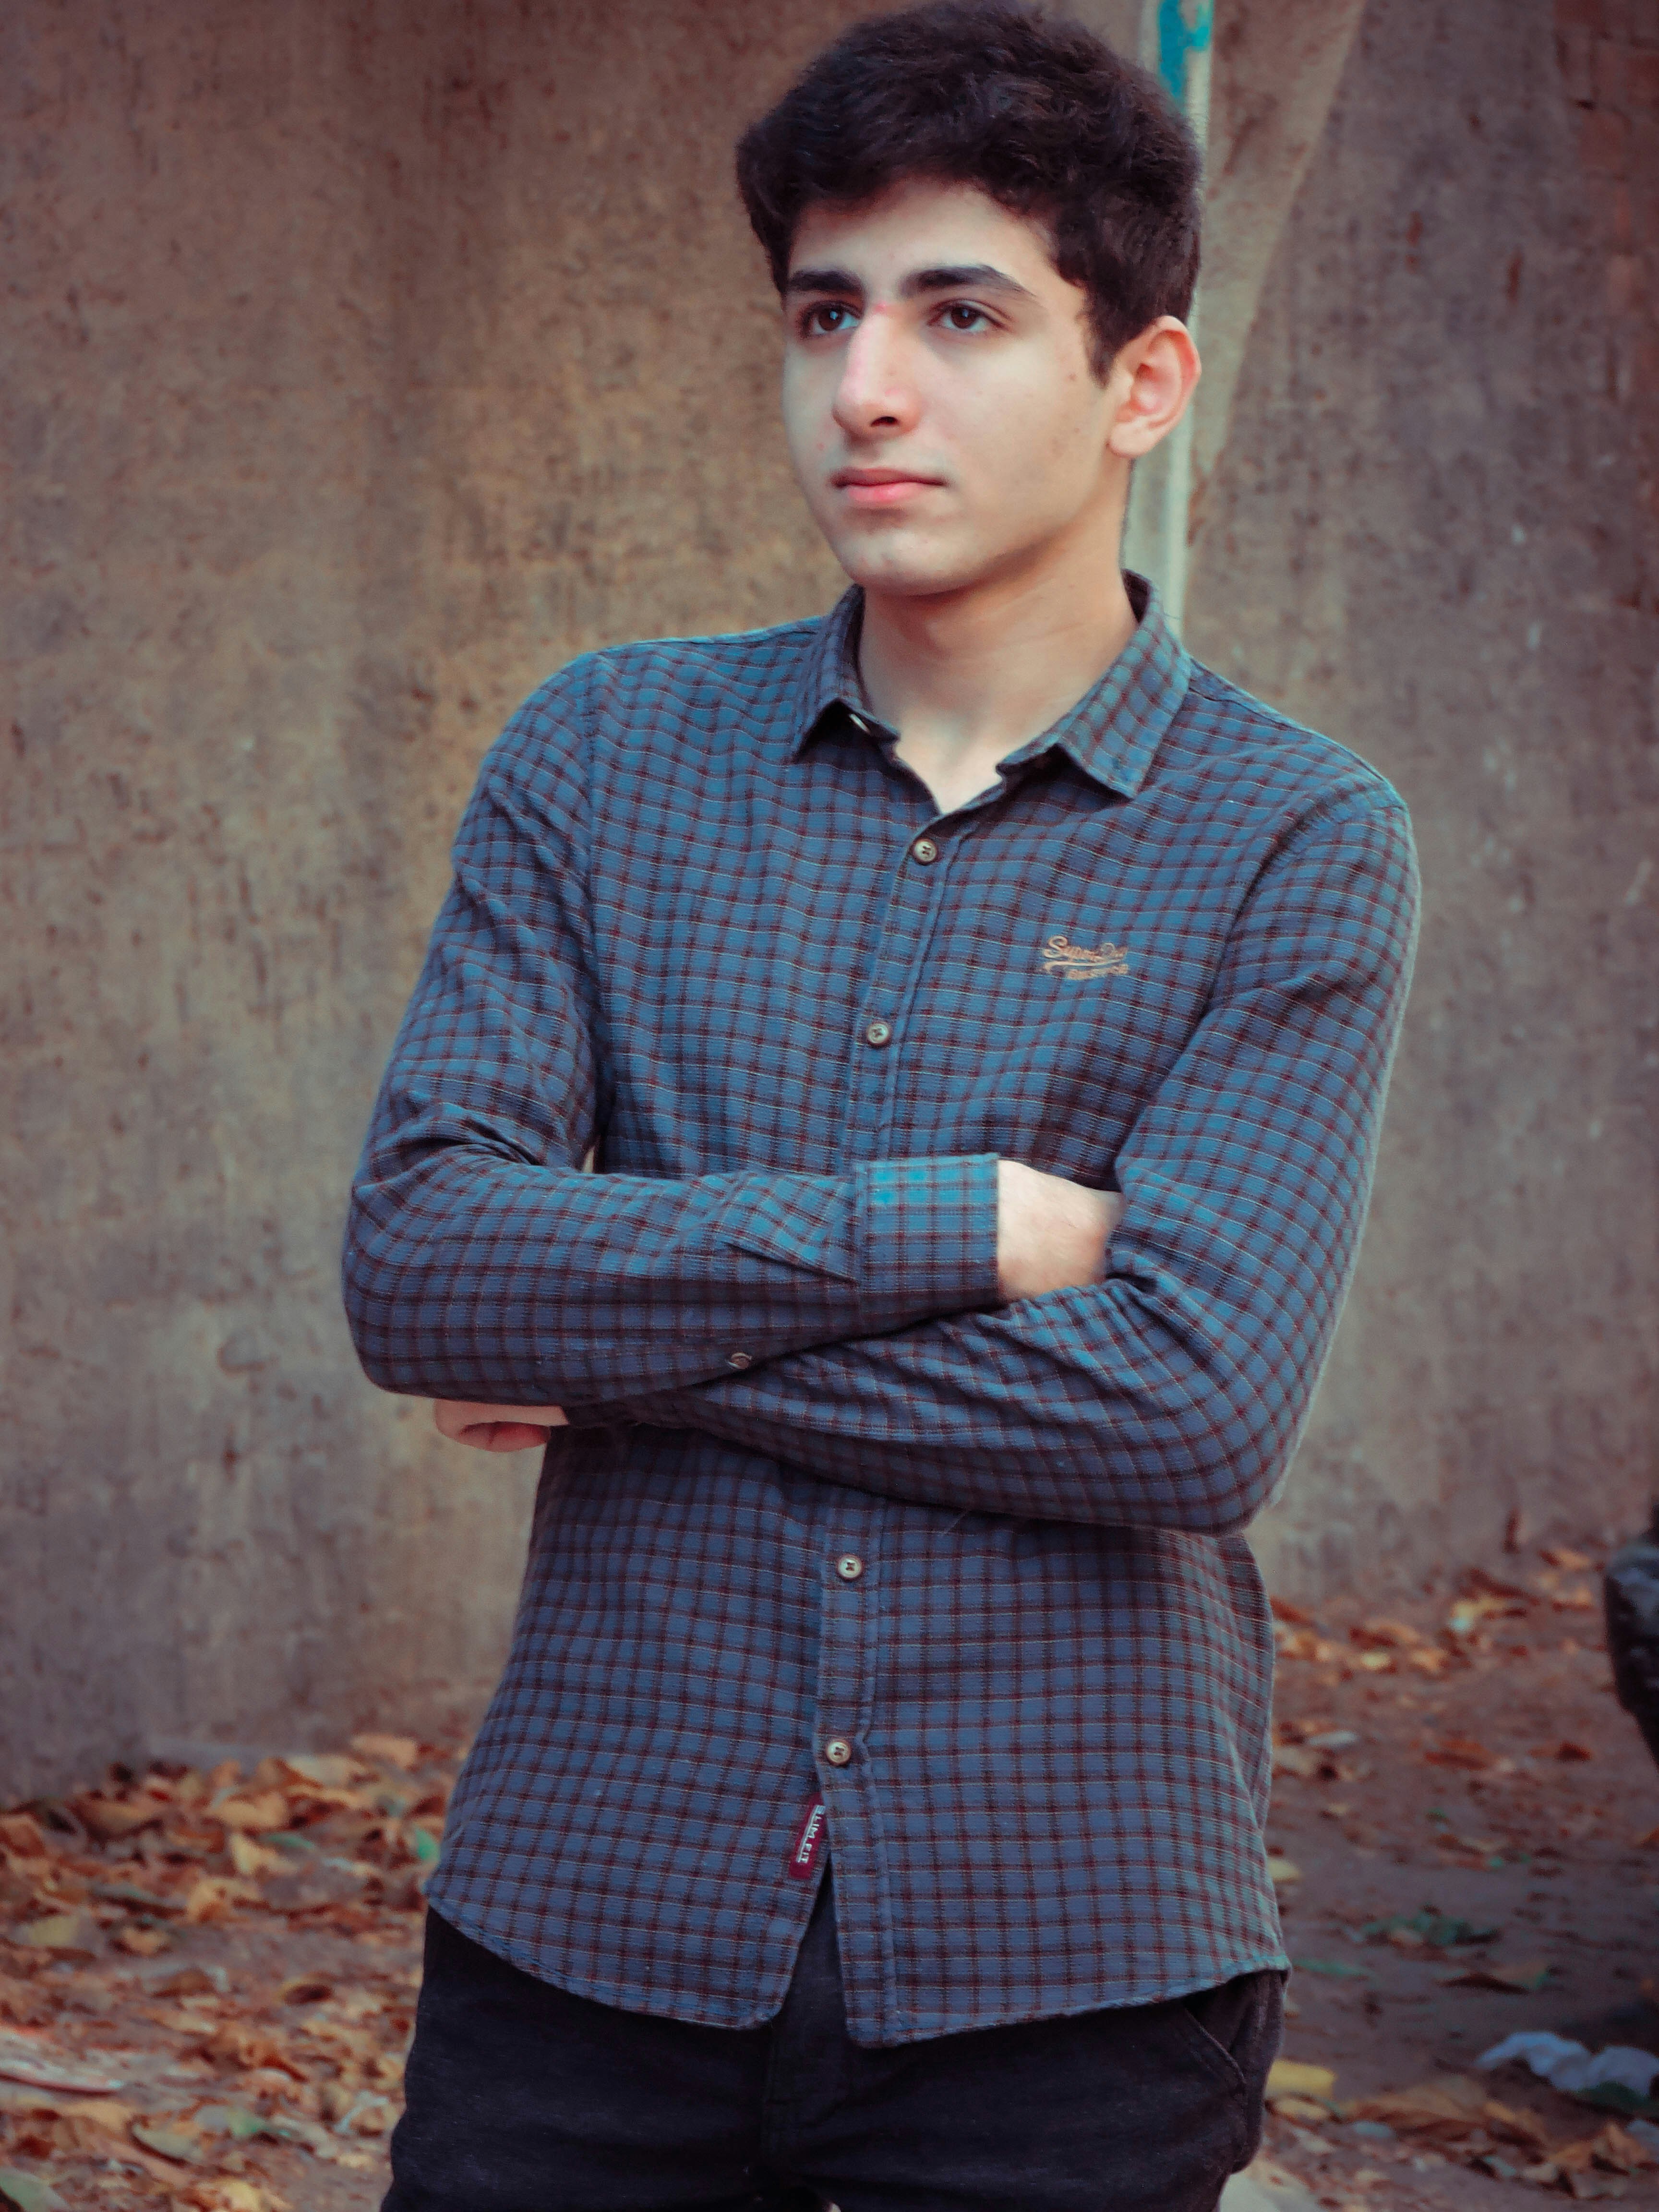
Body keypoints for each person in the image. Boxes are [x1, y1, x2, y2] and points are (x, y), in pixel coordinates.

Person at [343, 4, 1419, 2206]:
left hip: (1071, 1962)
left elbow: (1187, 1412)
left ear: (1143, 381)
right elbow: (427, 1263)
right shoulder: (602, 757)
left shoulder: (1295, 836)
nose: (867, 387)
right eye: (825, 313)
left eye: (961, 315)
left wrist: (620, 1338)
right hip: (591, 1922)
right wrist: (964, 1228)